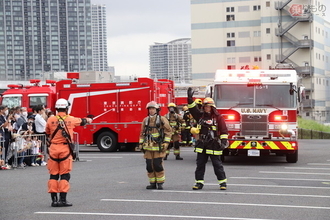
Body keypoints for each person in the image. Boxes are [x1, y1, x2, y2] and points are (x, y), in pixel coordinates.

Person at [46, 98, 92, 207]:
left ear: (57, 108)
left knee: (53, 175)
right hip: (65, 149)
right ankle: (63, 200)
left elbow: (47, 132)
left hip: (53, 149)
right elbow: (83, 121)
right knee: (65, 175)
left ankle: (54, 200)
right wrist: (89, 119)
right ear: (66, 108)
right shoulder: (71, 119)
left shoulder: (50, 119)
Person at [187, 88, 228, 190]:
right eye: (205, 106)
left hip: (214, 144)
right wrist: (189, 99)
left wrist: (223, 142)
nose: (206, 108)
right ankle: (199, 183)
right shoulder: (200, 116)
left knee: (217, 165)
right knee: (200, 165)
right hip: (202, 144)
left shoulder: (218, 117)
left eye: (208, 106)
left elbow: (223, 131)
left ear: (212, 107)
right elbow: (192, 109)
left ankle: (222, 183)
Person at [139, 101, 172, 190]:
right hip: (148, 147)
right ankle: (152, 183)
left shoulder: (162, 119)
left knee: (157, 165)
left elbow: (168, 131)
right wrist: (140, 144)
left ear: (157, 110)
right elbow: (142, 133)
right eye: (150, 109)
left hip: (158, 146)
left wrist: (166, 143)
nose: (151, 110)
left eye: (153, 109)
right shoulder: (145, 120)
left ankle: (160, 183)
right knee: (149, 166)